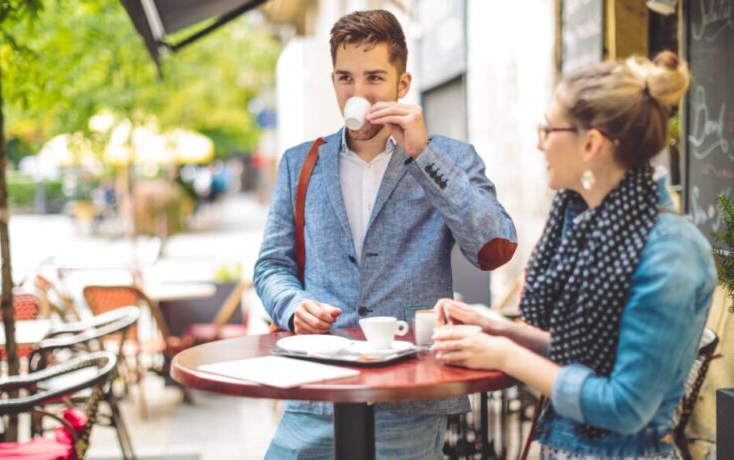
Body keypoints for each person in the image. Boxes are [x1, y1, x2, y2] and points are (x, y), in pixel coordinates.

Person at [253, 9, 517, 459]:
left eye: (374, 77)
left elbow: (494, 247)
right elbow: (271, 265)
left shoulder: (448, 157)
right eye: (345, 78)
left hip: (409, 399)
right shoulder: (301, 164)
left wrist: (422, 152)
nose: (358, 93)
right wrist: (293, 305)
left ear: (403, 83)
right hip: (315, 395)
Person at [431, 51, 717, 459]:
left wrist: (505, 355)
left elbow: (625, 405)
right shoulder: (595, 223)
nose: (539, 141)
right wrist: (496, 329)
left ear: (591, 143)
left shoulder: (671, 252)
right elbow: (583, 354)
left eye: (548, 128)